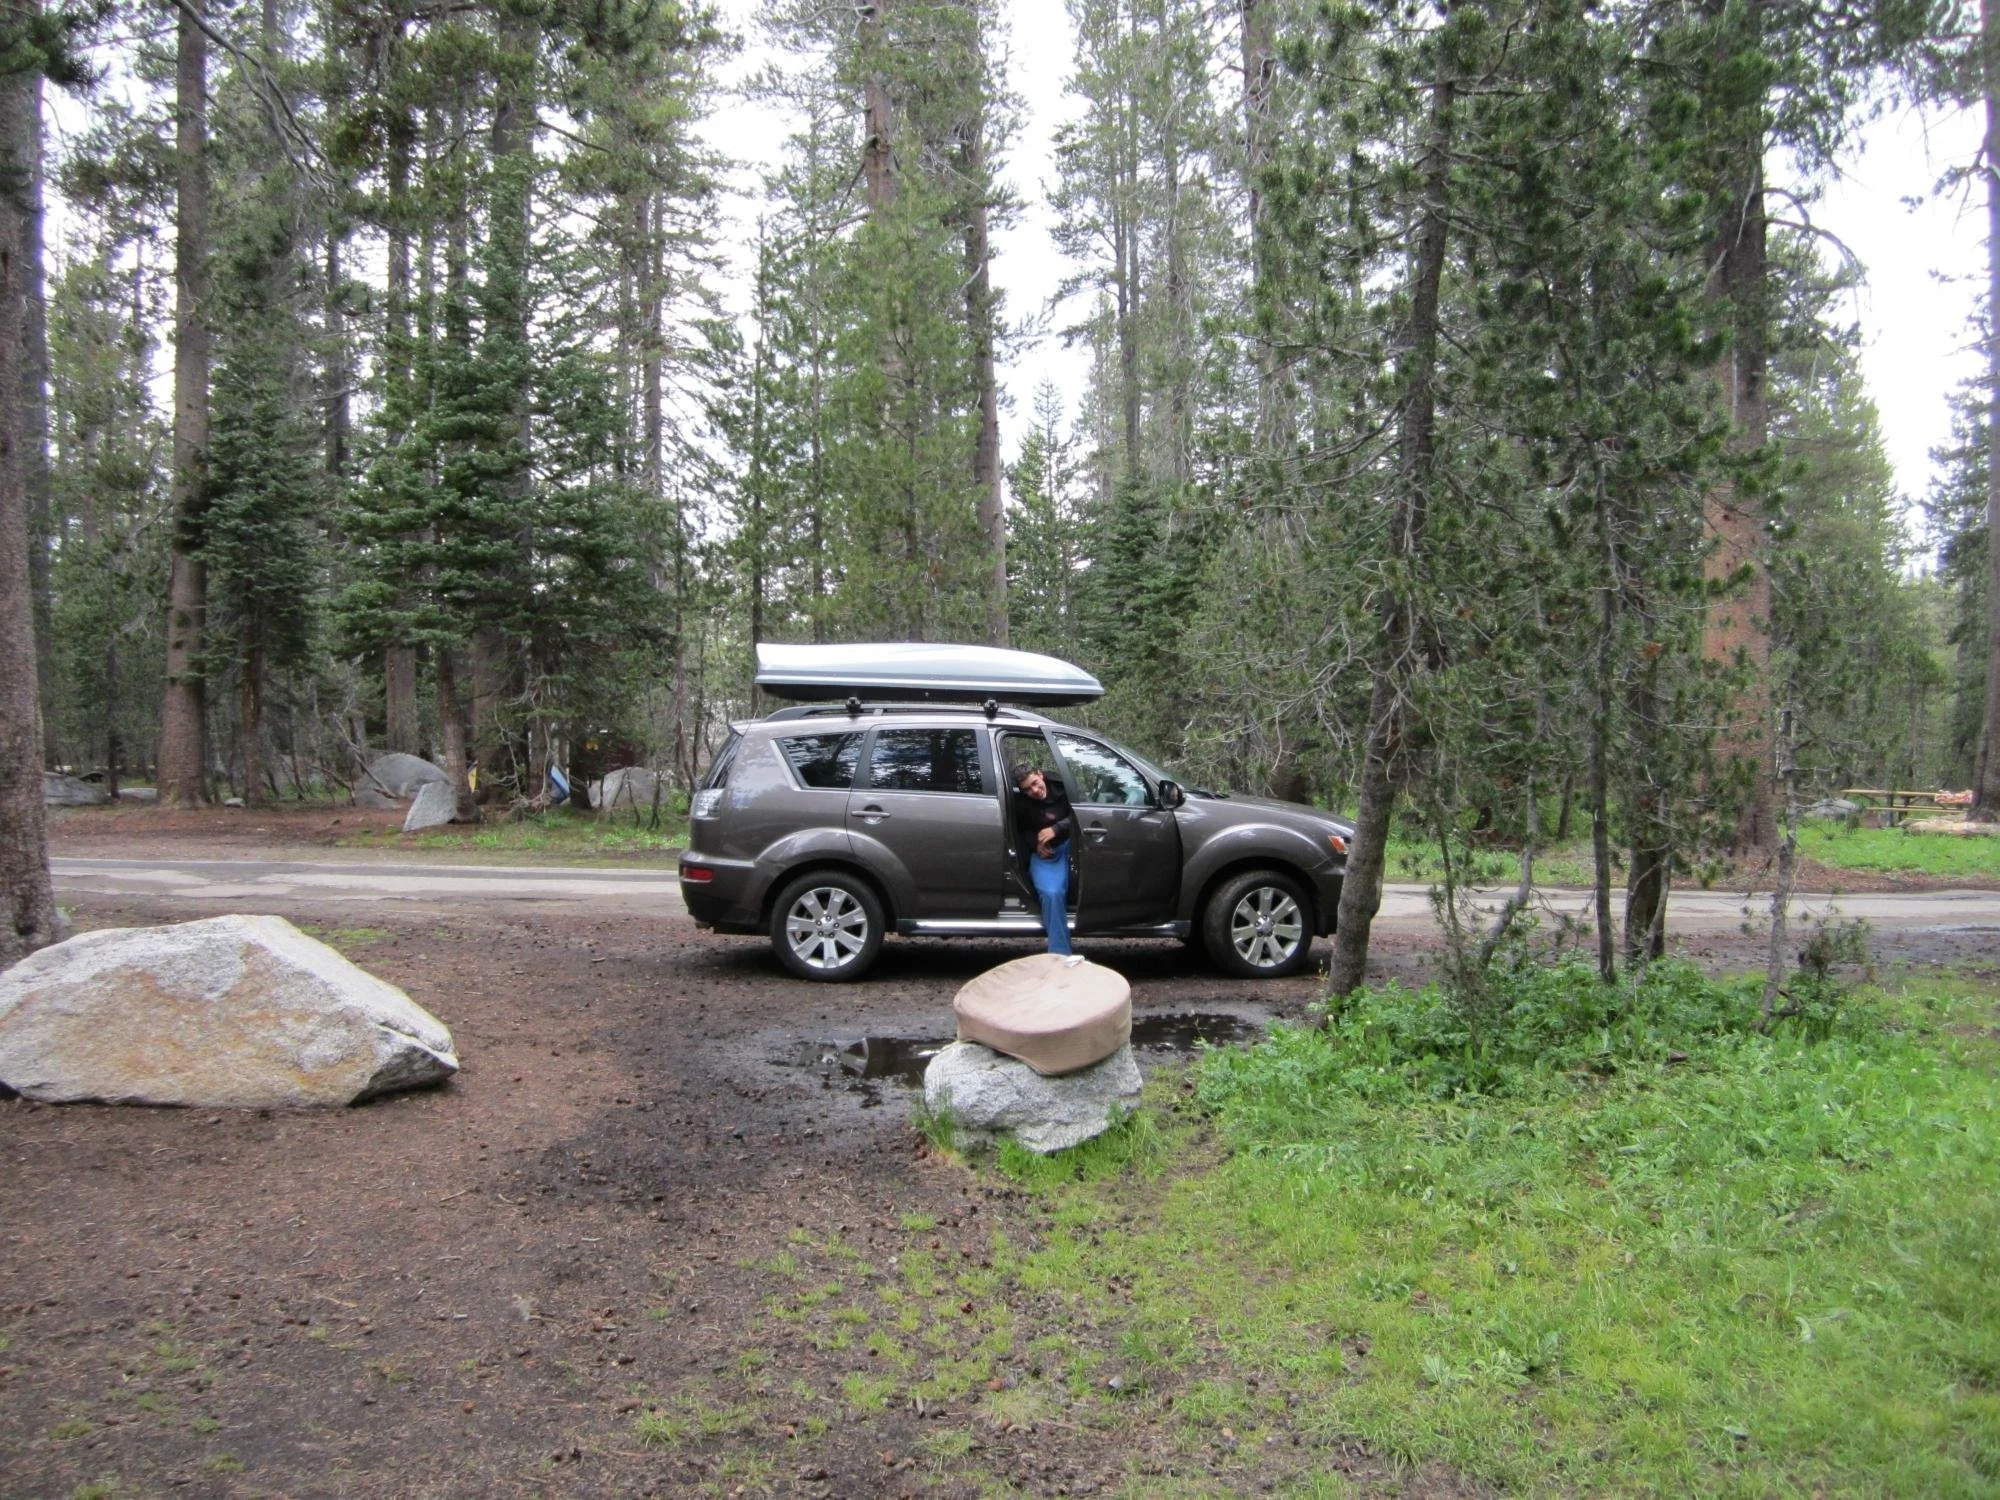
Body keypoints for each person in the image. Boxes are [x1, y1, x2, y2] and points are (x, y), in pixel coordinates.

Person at [1012, 764, 1074, 956]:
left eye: (1035, 784)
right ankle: (1060, 955)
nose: (1035, 791)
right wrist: (1035, 844)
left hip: (1075, 843)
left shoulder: (1064, 786)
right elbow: (1020, 832)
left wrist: (1057, 828)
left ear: (1041, 775)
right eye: (1028, 790)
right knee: (1051, 893)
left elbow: (1086, 812)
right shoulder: (1021, 804)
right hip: (1049, 852)